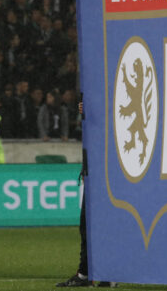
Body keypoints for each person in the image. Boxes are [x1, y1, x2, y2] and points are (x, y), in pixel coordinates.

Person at [56, 101, 116, 288]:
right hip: (94, 173)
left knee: (105, 227)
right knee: (87, 227)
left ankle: (109, 274)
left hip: (110, 174)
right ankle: (86, 274)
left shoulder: (116, 103)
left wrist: (94, 110)